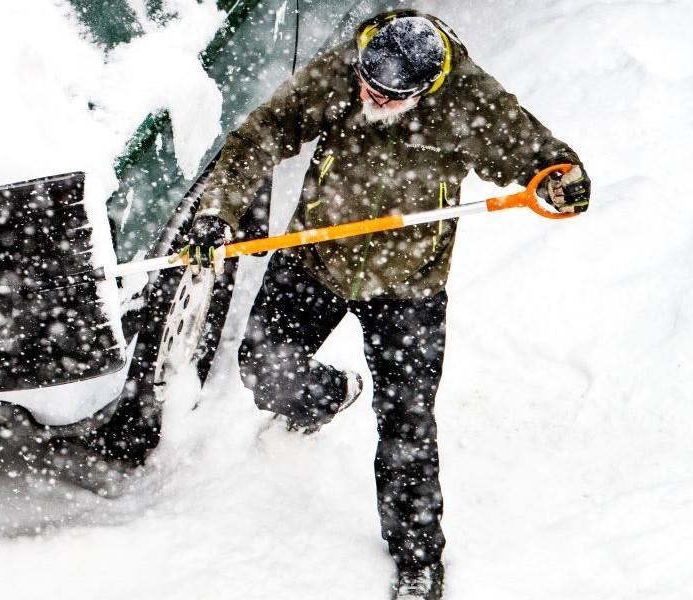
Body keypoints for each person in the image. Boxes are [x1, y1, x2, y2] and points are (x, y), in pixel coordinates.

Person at [181, 9, 590, 600]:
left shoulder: (470, 100)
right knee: (263, 368)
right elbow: (263, 132)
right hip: (316, 256)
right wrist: (217, 210)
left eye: (389, 95)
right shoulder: (344, 70)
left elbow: (540, 156)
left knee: (406, 425)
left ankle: (419, 559)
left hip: (409, 284)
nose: (371, 96)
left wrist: (561, 180)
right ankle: (327, 394)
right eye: (368, 85)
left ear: (426, 90)